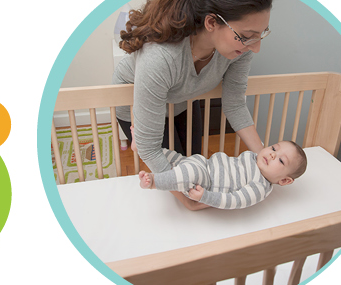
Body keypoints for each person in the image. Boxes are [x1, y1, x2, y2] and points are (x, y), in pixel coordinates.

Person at [113, 0, 275, 173]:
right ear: (211, 22)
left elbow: (235, 104)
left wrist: (265, 157)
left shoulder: (241, 50)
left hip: (183, 98)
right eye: (246, 36)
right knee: (174, 168)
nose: (256, 47)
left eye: (261, 34)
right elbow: (150, 150)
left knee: (193, 163)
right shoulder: (161, 56)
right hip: (138, 103)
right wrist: (190, 200)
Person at [138, 141, 308, 210]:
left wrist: (206, 196)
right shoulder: (254, 157)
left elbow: (234, 200)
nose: (272, 154)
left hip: (205, 182)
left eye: (281, 161)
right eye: (273, 148)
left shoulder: (259, 187)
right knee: (175, 158)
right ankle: (142, 147)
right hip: (203, 163)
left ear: (285, 180)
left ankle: (154, 181)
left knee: (186, 173)